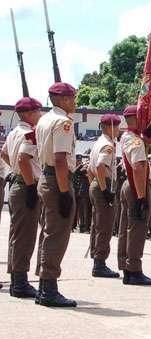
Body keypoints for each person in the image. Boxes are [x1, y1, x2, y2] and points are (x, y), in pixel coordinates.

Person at [35, 82, 78, 307]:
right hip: (56, 178)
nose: (74, 101)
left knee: (48, 232)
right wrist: (64, 192)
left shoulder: (44, 119)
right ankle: (49, 288)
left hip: (46, 175)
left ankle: (44, 286)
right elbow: (60, 158)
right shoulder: (63, 122)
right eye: (71, 97)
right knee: (57, 234)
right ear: (61, 99)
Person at [1, 97, 43, 298]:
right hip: (27, 185)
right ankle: (20, 282)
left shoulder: (14, 133)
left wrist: (15, 171)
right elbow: (23, 159)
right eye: (37, 111)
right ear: (27, 113)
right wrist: (29, 185)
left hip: (18, 182)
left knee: (17, 235)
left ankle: (17, 280)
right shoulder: (29, 133)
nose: (40, 114)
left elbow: (4, 153)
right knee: (25, 236)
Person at [118, 105, 151, 286]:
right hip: (137, 186)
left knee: (128, 228)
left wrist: (148, 134)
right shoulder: (134, 140)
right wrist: (141, 197)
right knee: (137, 228)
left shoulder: (132, 137)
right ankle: (134, 269)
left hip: (132, 185)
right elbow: (139, 166)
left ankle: (127, 267)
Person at [88, 113, 121, 278]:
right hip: (103, 184)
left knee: (97, 224)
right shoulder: (108, 145)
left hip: (96, 183)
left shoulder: (97, 143)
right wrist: (104, 189)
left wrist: (95, 186)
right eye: (117, 126)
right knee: (105, 226)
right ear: (109, 127)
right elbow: (101, 166)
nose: (119, 129)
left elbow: (90, 170)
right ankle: (100, 263)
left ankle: (97, 259)